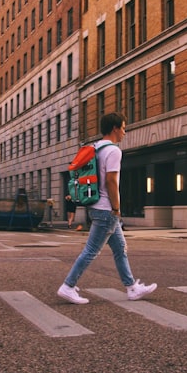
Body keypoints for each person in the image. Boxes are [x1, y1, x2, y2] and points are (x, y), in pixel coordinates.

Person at [57, 112, 157, 304]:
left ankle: (132, 288)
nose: (124, 133)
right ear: (115, 128)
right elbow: (111, 180)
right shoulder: (114, 151)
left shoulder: (96, 148)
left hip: (96, 205)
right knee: (91, 250)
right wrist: (116, 208)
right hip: (106, 209)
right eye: (124, 128)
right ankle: (68, 286)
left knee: (120, 249)